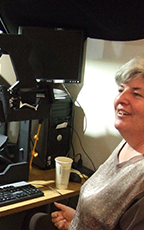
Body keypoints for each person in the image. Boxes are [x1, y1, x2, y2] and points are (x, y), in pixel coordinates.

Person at [29, 56, 144, 230]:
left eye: (136, 93)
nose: (121, 99)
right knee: (35, 219)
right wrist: (78, 219)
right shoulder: (126, 144)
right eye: (121, 90)